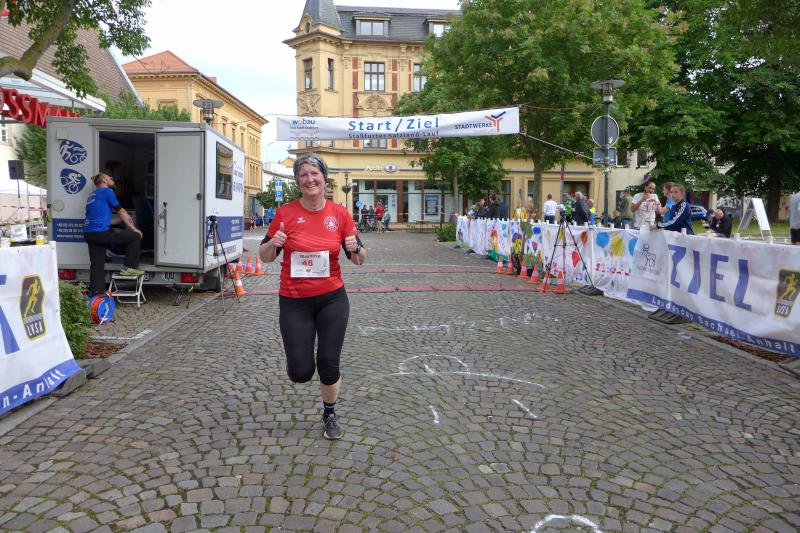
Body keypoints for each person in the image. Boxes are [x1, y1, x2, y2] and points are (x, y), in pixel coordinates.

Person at [259, 154, 366, 440]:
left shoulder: (340, 214)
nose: (310, 179)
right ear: (297, 181)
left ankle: (329, 413)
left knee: (329, 363)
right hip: (294, 301)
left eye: (314, 173)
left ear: (324, 178)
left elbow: (360, 259)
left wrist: (355, 247)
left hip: (332, 299)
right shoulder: (285, 214)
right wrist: (273, 243)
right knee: (301, 372)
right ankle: (299, 362)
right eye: (303, 175)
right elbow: (265, 256)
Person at [83, 173, 145, 295]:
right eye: (110, 177)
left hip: (89, 233)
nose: (112, 179)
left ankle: (97, 293)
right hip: (100, 233)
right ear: (104, 180)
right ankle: (129, 268)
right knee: (134, 236)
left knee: (97, 264)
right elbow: (121, 211)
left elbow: (103, 220)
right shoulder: (107, 191)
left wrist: (121, 221)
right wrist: (133, 228)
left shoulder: (92, 195)